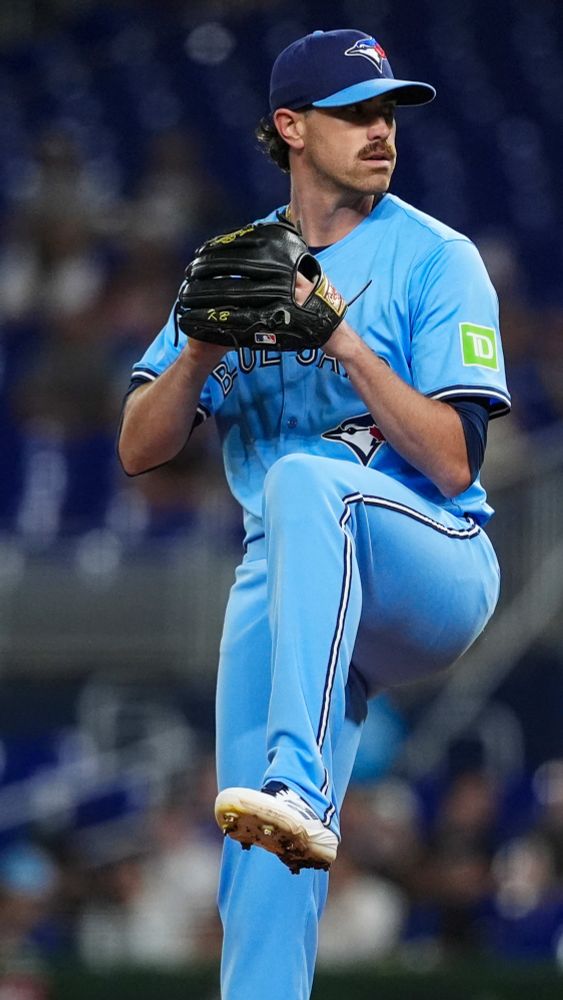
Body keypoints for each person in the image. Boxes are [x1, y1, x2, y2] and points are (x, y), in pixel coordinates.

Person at [118, 28, 511, 1000]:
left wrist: (343, 343)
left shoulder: (434, 257)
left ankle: (301, 779)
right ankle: (284, 807)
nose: (380, 130)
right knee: (255, 846)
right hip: (296, 584)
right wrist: (201, 350)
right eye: (354, 113)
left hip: (430, 557)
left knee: (303, 480)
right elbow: (137, 444)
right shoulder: (237, 260)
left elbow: (454, 459)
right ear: (290, 126)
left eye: (388, 111)